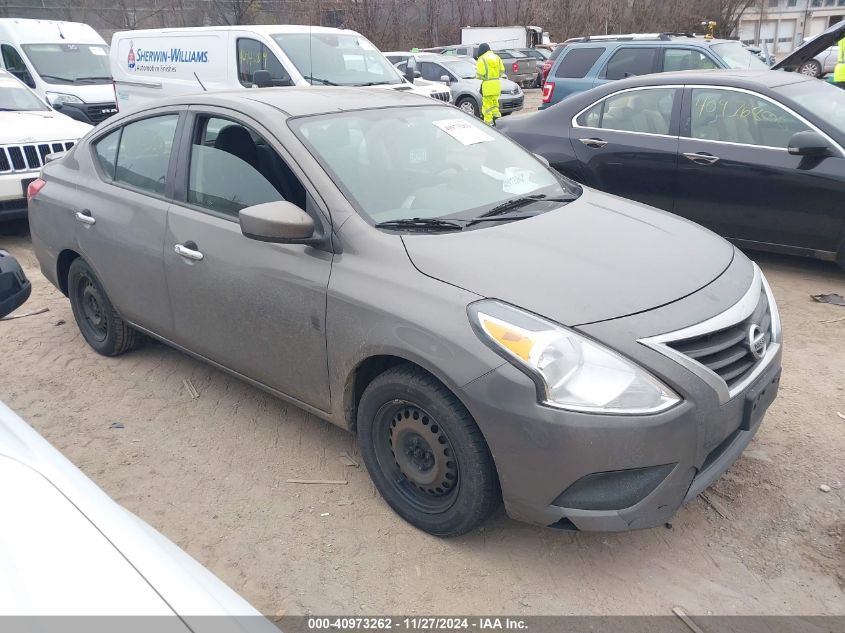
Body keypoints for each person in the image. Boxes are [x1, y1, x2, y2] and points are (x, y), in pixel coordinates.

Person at [475, 43, 505, 126]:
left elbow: (479, 75)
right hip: (496, 84)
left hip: (487, 86)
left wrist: (485, 77)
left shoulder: (482, 59)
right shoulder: (497, 57)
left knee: (487, 106)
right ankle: (498, 122)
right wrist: (495, 76)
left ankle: (488, 124)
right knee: (495, 105)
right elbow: (502, 70)